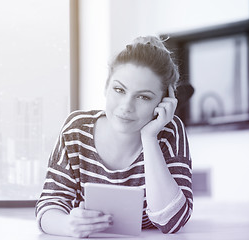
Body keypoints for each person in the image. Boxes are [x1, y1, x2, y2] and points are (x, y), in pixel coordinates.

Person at [35, 36, 193, 238]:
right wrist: (67, 225)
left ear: (164, 102)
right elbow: (49, 205)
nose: (126, 107)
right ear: (106, 87)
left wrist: (150, 138)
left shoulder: (169, 131)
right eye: (119, 90)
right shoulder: (77, 129)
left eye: (143, 97)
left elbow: (173, 221)